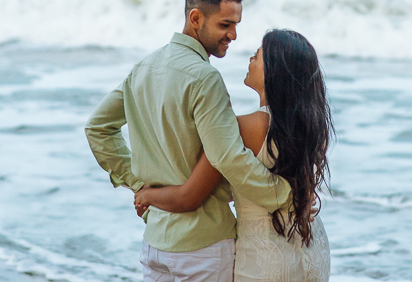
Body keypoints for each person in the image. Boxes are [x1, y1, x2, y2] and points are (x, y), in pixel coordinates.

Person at [86, 0, 292, 282]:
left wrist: (141, 186)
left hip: (155, 244)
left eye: (236, 24)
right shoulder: (205, 78)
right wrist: (284, 196)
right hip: (203, 246)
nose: (234, 35)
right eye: (225, 24)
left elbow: (98, 127)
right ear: (196, 18)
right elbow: (228, 157)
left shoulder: (143, 68)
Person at [134, 29, 333, 282]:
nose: (250, 60)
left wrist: (147, 195)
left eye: (257, 56)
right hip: (312, 246)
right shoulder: (315, 129)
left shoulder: (242, 129)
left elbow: (190, 195)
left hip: (265, 257)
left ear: (275, 71)